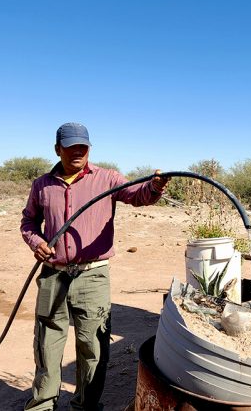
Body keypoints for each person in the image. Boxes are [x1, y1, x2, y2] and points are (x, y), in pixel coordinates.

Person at [20, 122, 169, 411]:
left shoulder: (107, 179)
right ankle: (42, 405)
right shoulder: (42, 185)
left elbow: (137, 195)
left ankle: (85, 406)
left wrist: (153, 187)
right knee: (47, 343)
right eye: (71, 146)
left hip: (93, 276)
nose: (78, 151)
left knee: (93, 347)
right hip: (53, 275)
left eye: (83, 147)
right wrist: (35, 241)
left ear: (89, 149)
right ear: (57, 149)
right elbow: (28, 222)